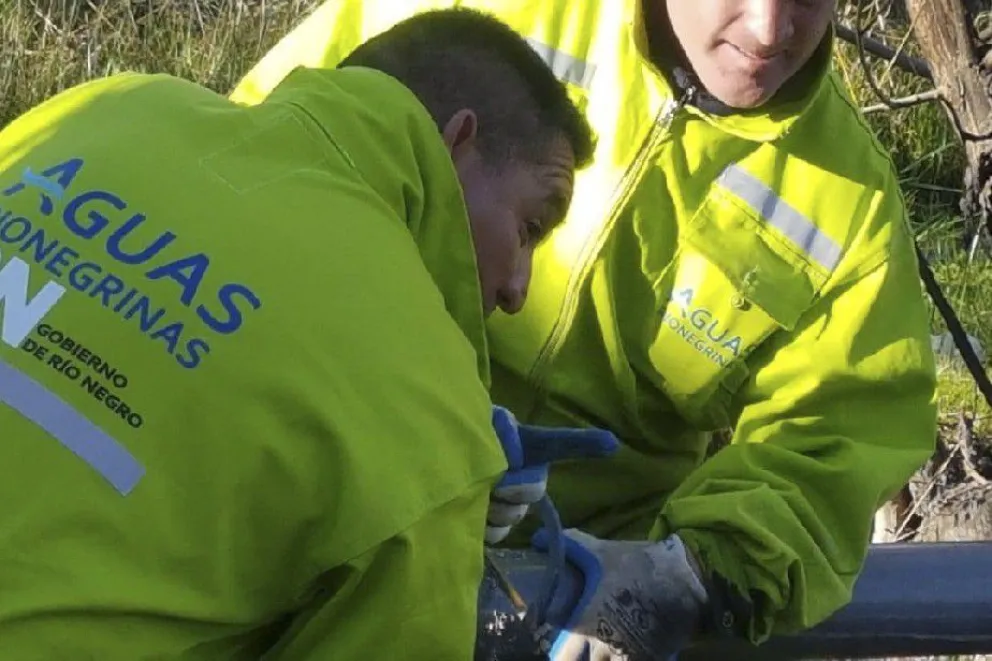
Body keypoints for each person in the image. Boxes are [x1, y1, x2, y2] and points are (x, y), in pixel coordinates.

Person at [231, 0, 940, 658]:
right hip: (317, 481)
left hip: (582, 601)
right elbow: (259, 164)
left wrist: (689, 571)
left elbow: (832, 446)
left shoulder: (854, 212)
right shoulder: (468, 12)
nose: (767, 30)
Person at [0, 8, 608, 660]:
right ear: (454, 141)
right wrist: (440, 509)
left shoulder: (112, 106)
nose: (519, 287)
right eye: (529, 226)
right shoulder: (427, 425)